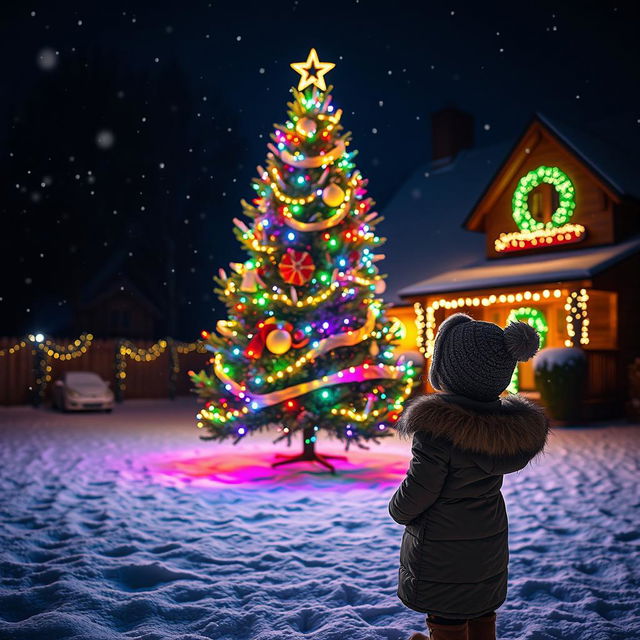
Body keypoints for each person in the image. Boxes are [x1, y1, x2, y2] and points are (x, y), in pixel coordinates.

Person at [388, 313, 550, 640]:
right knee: (479, 606)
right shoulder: (502, 430)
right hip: (486, 538)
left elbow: (422, 485)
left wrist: (398, 510)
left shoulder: (439, 430)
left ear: (448, 372)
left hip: (443, 546)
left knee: (447, 612)